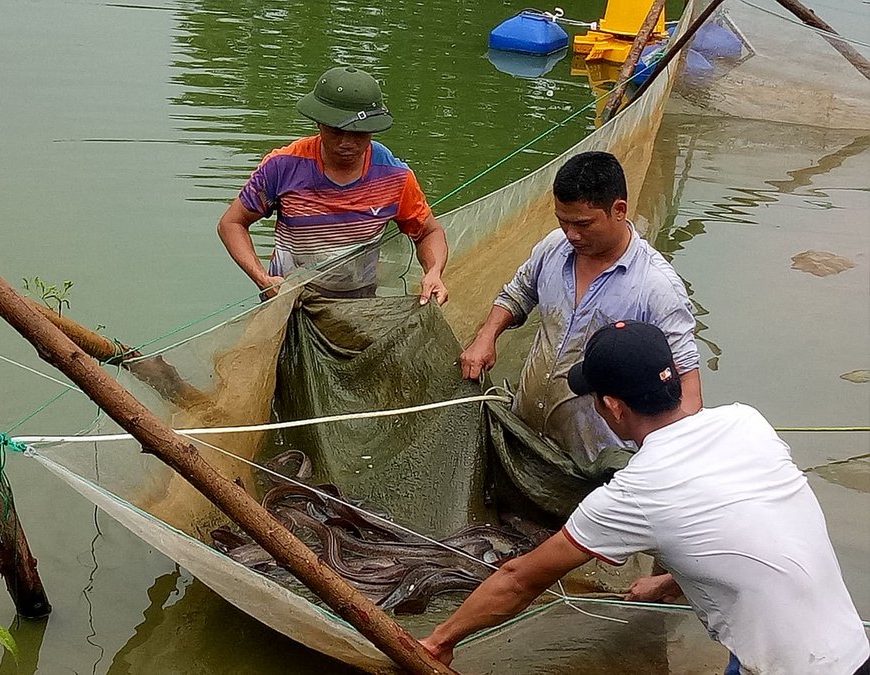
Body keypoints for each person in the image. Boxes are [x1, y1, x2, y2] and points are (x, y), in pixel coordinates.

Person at [422, 321, 870, 674]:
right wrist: (669, 581)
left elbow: (521, 578)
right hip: (852, 649)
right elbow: (746, 535)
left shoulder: (637, 491)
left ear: (613, 406)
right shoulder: (745, 422)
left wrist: (441, 639)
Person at [460, 150, 701, 469]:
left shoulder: (656, 288)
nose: (572, 234)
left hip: (597, 463)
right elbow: (518, 293)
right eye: (563, 222)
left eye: (583, 223)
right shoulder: (553, 249)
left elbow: (689, 390)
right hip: (525, 435)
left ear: (619, 210)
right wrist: (486, 336)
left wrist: (657, 463)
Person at [217, 65, 448, 303]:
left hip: (358, 300)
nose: (346, 142)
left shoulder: (394, 177)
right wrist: (262, 279)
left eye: (358, 133)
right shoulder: (283, 166)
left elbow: (429, 232)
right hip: (288, 299)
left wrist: (433, 272)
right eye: (336, 130)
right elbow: (232, 223)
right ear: (319, 123)